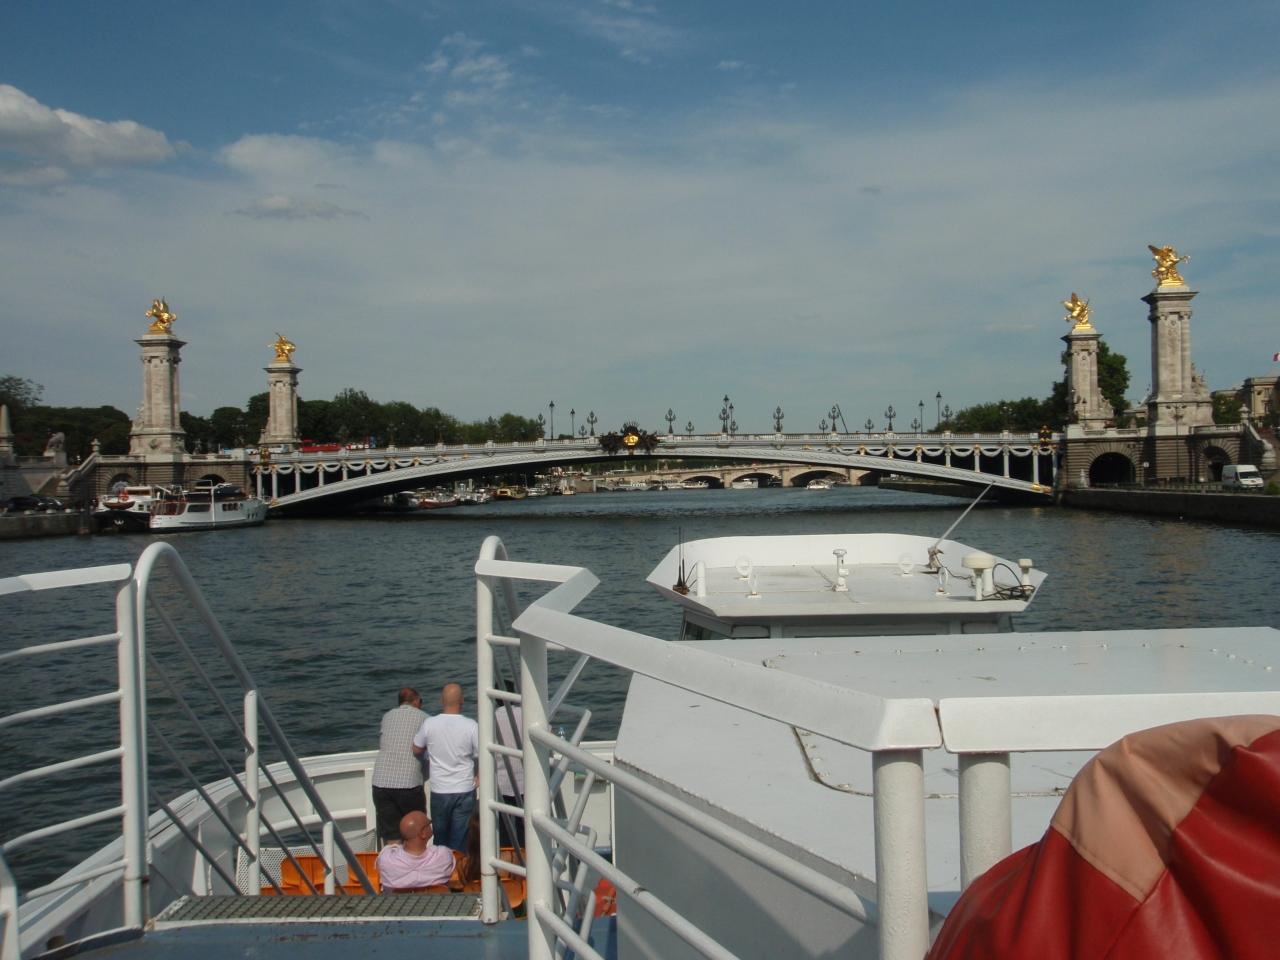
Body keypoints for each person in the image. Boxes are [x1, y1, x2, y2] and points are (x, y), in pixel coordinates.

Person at [413, 682, 479, 851]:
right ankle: (459, 865)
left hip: (440, 789)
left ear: (442, 700)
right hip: (464, 788)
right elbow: (483, 754)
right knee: (461, 839)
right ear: (462, 700)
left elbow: (416, 748)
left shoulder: (430, 723)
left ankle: (442, 865)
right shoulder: (471, 725)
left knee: (441, 839)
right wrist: (479, 777)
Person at [370, 687, 428, 845]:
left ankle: (393, 859)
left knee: (392, 836)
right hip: (408, 783)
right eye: (421, 701)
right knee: (417, 834)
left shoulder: (387, 716)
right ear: (415, 701)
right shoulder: (425, 718)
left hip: (381, 782)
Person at [374, 811, 455, 892]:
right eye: (429, 824)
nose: (431, 825)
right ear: (423, 833)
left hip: (396, 900)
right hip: (437, 900)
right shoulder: (444, 855)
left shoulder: (386, 858)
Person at [494, 693, 526, 847]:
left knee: (503, 827)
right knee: (524, 826)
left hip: (502, 779)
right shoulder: (525, 713)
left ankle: (507, 856)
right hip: (524, 779)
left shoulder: (491, 716)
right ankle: (526, 854)